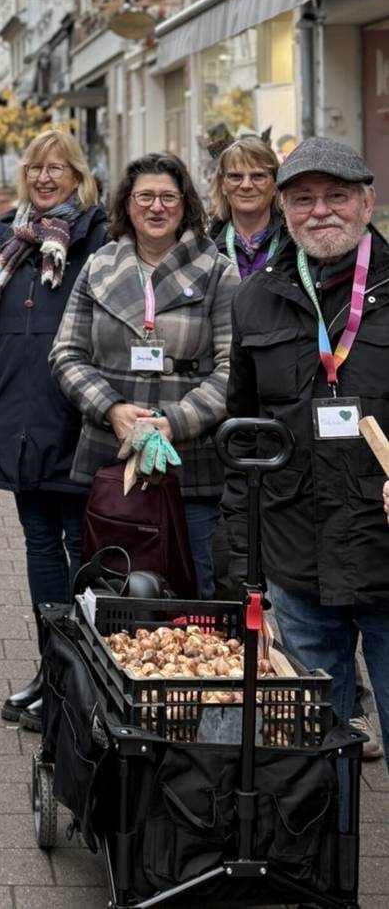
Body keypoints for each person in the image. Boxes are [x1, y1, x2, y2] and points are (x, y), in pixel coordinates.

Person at [222, 136, 389, 772]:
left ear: (367, 200)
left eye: (337, 196)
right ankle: (323, 871)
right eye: (302, 199)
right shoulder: (256, 297)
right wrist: (242, 553)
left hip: (383, 547)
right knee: (310, 751)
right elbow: (246, 433)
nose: (320, 211)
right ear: (283, 210)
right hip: (298, 555)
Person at [49, 153, 239, 600]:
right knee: (109, 587)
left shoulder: (218, 272)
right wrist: (111, 409)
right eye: (145, 197)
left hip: (189, 464)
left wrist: (175, 421)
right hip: (111, 456)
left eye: (168, 197)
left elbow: (235, 369)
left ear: (186, 204)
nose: (157, 207)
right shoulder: (98, 267)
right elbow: (66, 354)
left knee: (193, 595)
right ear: (127, 205)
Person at [0, 130, 108, 731]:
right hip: (16, 409)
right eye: (36, 168)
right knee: (37, 540)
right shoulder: (11, 237)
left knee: (81, 542)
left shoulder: (98, 239)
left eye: (59, 168)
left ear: (79, 175)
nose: (46, 178)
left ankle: (84, 673)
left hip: (75, 412)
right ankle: (53, 667)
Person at [208, 136, 285, 279]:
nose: (246, 185)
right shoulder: (206, 245)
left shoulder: (294, 245)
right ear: (223, 186)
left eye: (258, 176)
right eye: (236, 177)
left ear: (275, 185)